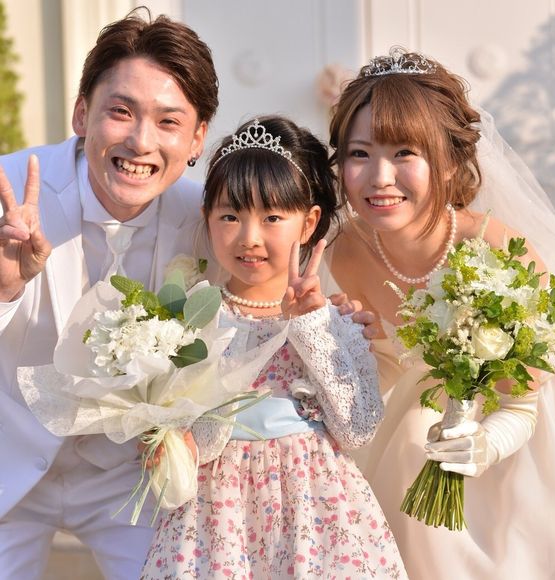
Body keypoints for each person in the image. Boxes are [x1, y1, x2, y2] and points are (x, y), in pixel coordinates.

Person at [326, 47, 555, 579]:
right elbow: (389, 362)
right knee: (412, 450)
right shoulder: (347, 250)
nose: (379, 177)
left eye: (404, 153)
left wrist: (486, 442)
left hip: (533, 405)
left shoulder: (494, 246)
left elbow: (526, 393)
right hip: (429, 410)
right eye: (359, 153)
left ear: (446, 160)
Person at [0, 9, 219, 579]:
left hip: (127, 474)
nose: (140, 141)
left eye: (168, 122)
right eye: (121, 112)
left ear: (197, 137)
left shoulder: (209, 220)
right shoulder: (9, 192)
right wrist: (4, 290)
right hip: (5, 459)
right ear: (82, 113)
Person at [140, 116, 408, 579]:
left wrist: (310, 324)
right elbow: (182, 438)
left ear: (308, 223)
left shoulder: (334, 321)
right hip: (215, 523)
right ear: (207, 217)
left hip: (315, 520)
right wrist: (169, 441)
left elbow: (358, 427)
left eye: (272, 218)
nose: (249, 237)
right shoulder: (188, 322)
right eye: (230, 216)